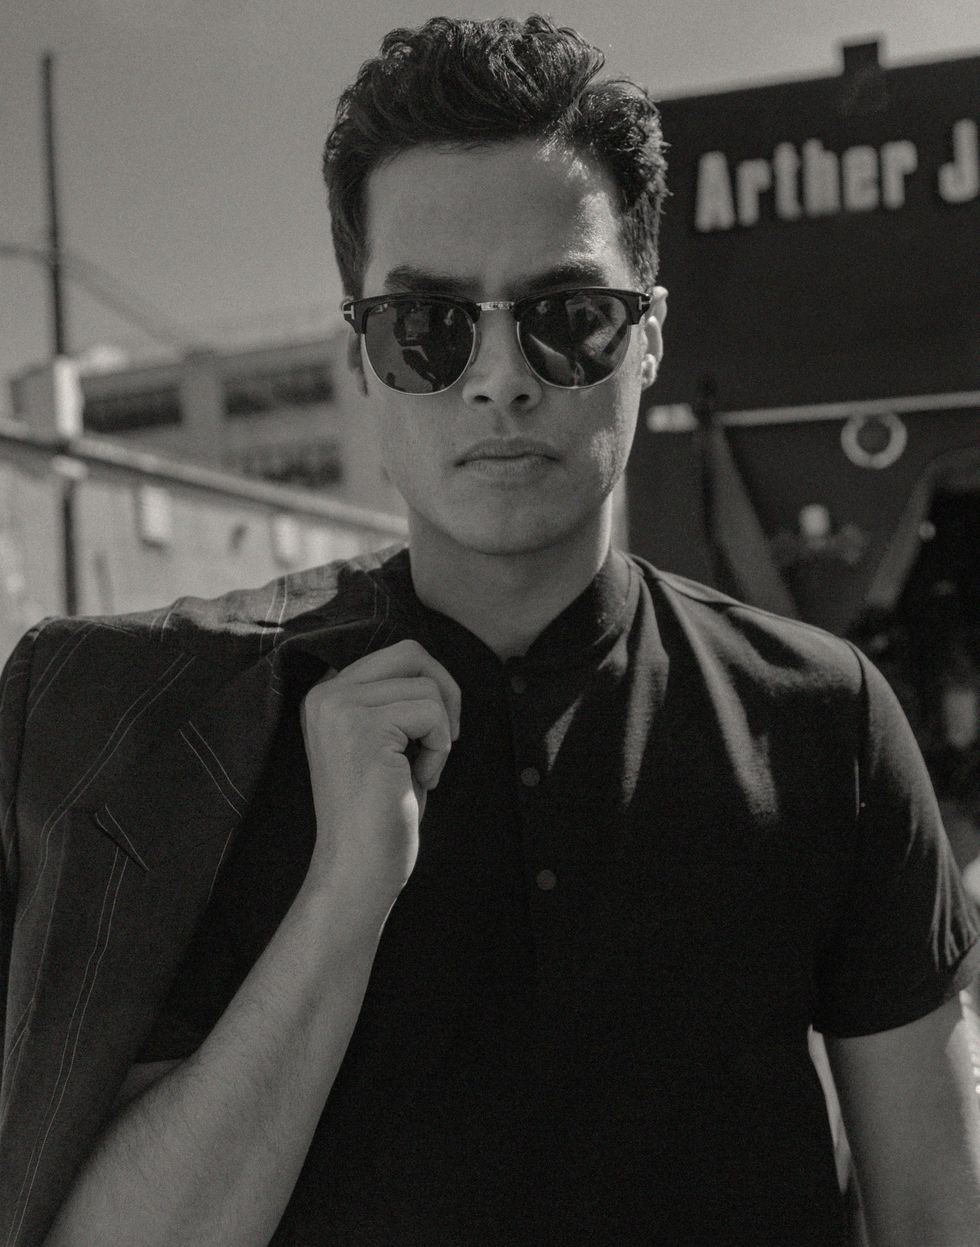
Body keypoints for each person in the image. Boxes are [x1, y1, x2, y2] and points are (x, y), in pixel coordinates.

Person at [1, 15, 978, 1247]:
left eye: (568, 313)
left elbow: (934, 1211)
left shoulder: (820, 718)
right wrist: (340, 903)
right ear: (361, 357)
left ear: (649, 335)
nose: (501, 376)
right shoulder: (194, 743)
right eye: (429, 326)